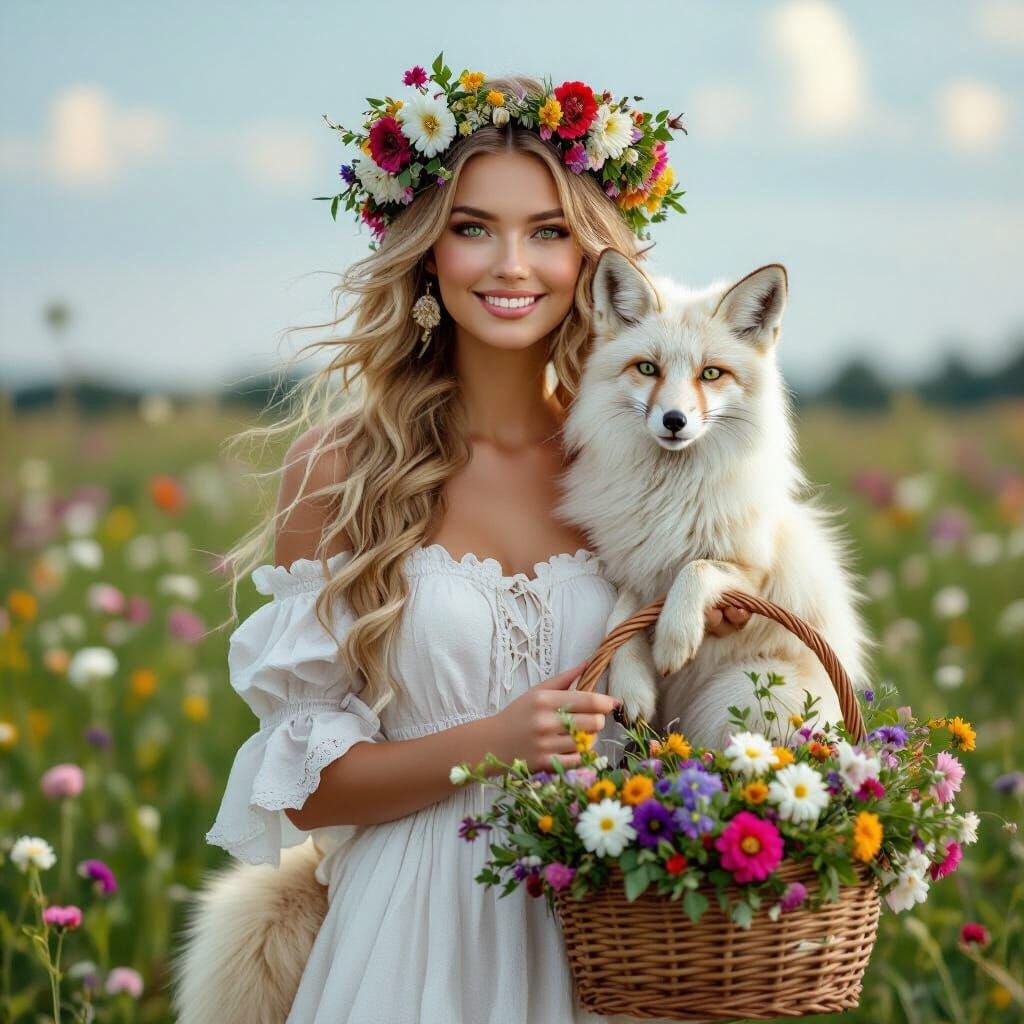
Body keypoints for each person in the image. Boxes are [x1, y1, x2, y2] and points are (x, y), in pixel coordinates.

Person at [201, 63, 750, 1023]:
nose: (511, 265)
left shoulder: (643, 470)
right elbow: (308, 790)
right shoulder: (344, 468)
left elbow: (710, 695)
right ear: (425, 254)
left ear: (593, 261)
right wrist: (493, 744)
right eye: (472, 228)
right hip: (415, 933)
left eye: (547, 232)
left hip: (613, 922)